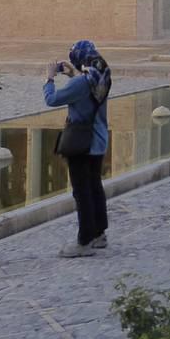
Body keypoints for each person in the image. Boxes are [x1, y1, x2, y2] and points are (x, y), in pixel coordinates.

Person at [45, 39, 111, 257]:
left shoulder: (81, 83)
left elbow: (52, 99)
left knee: (82, 192)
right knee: (95, 187)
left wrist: (50, 78)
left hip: (81, 143)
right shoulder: (101, 76)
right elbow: (86, 89)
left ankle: (84, 241)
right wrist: (73, 74)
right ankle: (99, 234)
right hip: (99, 140)